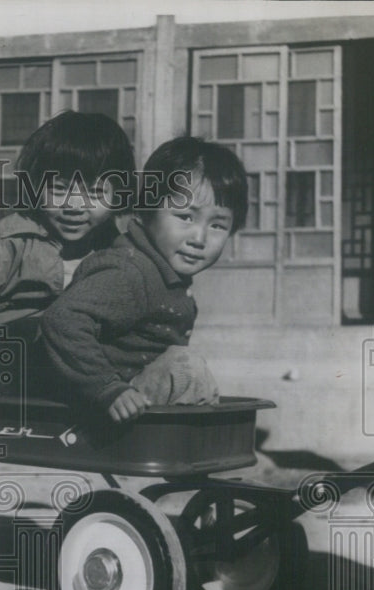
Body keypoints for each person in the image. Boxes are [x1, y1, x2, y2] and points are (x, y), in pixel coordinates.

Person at [0, 111, 135, 409]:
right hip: (7, 365)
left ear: (118, 195)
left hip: (78, 371)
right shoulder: (9, 241)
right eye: (59, 189)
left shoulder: (117, 250)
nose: (74, 207)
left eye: (95, 192)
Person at [41, 136, 248, 422]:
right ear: (146, 210)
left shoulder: (166, 276)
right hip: (100, 407)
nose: (199, 238)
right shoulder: (130, 271)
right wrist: (108, 388)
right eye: (185, 217)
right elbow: (62, 319)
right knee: (185, 368)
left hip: (130, 401)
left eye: (217, 225)